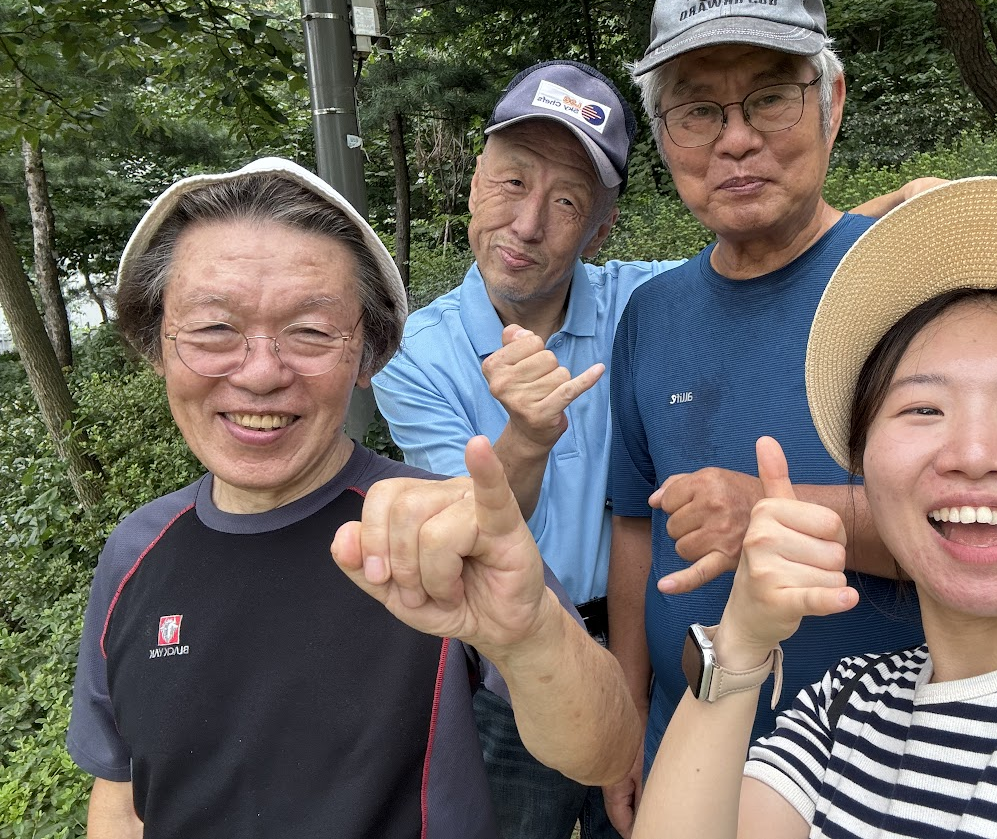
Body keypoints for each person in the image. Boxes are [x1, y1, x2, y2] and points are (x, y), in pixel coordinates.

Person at [372, 59, 933, 838]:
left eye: (566, 200)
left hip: (641, 658)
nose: (527, 223)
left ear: (600, 228)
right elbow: (471, 522)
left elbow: (764, 255)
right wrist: (527, 435)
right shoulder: (415, 356)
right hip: (516, 669)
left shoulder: (636, 303)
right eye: (511, 182)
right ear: (474, 183)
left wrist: (896, 216)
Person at [630, 176, 997, 839]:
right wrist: (742, 643)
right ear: (863, 461)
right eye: (922, 408)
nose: (974, 454)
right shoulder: (843, 707)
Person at [66, 156, 640, 839]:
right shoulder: (134, 551)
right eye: (214, 328)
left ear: (367, 355)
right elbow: (121, 792)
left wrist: (528, 634)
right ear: (156, 344)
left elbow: (605, 750)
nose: (260, 373)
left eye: (310, 331)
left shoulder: (438, 529)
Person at [607, 0, 926, 813]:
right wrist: (629, 715)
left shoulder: (914, 280)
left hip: (884, 773)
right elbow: (633, 528)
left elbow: (982, 517)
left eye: (770, 97)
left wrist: (771, 514)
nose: (735, 137)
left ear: (832, 100)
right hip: (688, 756)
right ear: (663, 135)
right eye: (696, 110)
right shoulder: (650, 314)